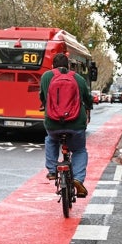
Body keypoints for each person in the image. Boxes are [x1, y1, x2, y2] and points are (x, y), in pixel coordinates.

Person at [39, 53, 93, 198]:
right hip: (76, 123)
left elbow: (43, 97)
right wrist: (88, 109)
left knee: (51, 140)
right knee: (80, 150)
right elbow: (87, 98)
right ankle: (78, 178)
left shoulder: (46, 77)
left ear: (52, 66)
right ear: (69, 66)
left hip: (53, 122)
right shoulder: (78, 78)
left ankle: (51, 170)